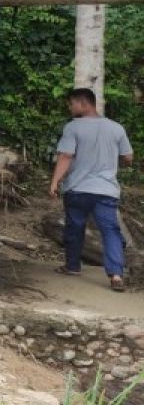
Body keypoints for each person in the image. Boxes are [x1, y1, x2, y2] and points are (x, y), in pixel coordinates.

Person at [49, 87, 134, 291]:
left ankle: (72, 266)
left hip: (78, 190)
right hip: (106, 191)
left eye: (72, 103)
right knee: (110, 231)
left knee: (75, 228)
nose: (70, 107)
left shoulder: (73, 128)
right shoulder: (116, 128)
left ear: (83, 103)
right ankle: (115, 276)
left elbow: (65, 156)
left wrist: (54, 182)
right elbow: (128, 158)